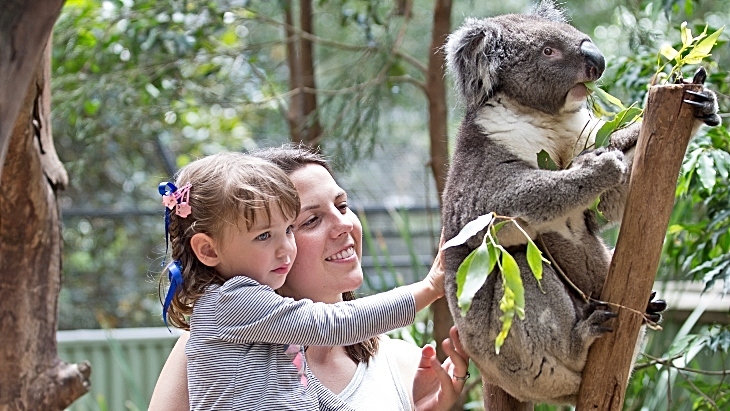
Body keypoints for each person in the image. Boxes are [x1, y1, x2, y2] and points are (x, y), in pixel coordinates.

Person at [149, 146, 469, 411]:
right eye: (312, 219)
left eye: (343, 206)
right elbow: (336, 324)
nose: (343, 224)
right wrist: (429, 288)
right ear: (209, 249)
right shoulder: (222, 322)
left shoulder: (401, 362)